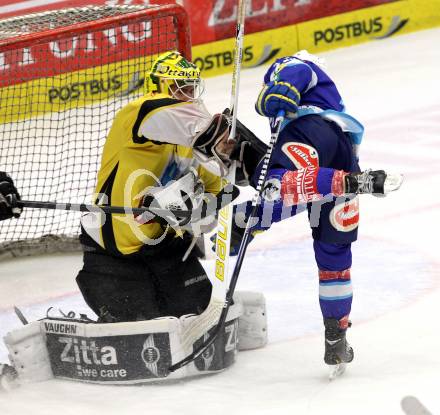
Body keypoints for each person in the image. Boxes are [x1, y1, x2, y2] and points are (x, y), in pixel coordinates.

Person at [192, 50, 402, 373]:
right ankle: (336, 337)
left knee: (276, 186)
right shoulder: (331, 94)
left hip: (309, 134)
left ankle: (245, 218)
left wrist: (279, 90)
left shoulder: (297, 65)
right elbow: (303, 188)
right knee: (334, 257)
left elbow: (294, 72)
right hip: (343, 154)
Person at [76, 51, 234, 323]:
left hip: (165, 250)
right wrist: (214, 134)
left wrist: (197, 211)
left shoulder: (191, 141)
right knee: (142, 333)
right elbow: (175, 117)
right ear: (159, 86)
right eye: (178, 88)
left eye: (190, 88)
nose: (186, 95)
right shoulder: (138, 113)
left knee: (202, 319)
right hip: (114, 255)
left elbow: (219, 191)